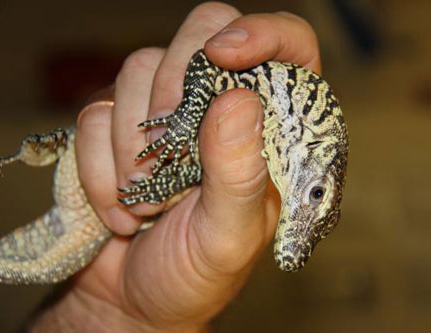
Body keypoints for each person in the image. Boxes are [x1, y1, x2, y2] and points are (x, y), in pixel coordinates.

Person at [31, 2, 322, 331]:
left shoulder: (260, 150)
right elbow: (202, 61)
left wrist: (119, 317)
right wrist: (184, 120)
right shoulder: (259, 92)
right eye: (316, 194)